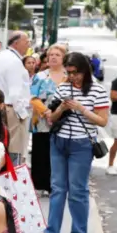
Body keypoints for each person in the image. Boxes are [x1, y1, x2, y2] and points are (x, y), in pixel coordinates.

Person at [40, 52, 110, 233]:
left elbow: (103, 121)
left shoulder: (97, 90)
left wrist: (81, 109)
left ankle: (78, 232)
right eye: (69, 72)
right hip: (58, 141)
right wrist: (61, 109)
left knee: (77, 189)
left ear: (85, 70)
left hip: (82, 145)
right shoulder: (62, 88)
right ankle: (52, 230)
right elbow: (51, 118)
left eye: (76, 73)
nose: (72, 77)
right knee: (57, 188)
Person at [0, 31, 32, 166]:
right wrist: (23, 114)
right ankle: (13, 179)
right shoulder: (14, 61)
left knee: (2, 147)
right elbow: (15, 93)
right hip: (13, 109)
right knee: (15, 149)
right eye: (26, 42)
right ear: (16, 43)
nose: (28, 45)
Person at [30, 44, 69, 193]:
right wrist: (46, 112)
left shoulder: (69, 76)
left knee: (61, 152)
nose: (53, 57)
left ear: (63, 58)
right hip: (42, 120)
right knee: (42, 151)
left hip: (65, 120)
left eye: (57, 55)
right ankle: (41, 184)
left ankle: (58, 184)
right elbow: (33, 97)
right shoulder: (40, 76)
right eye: (50, 55)